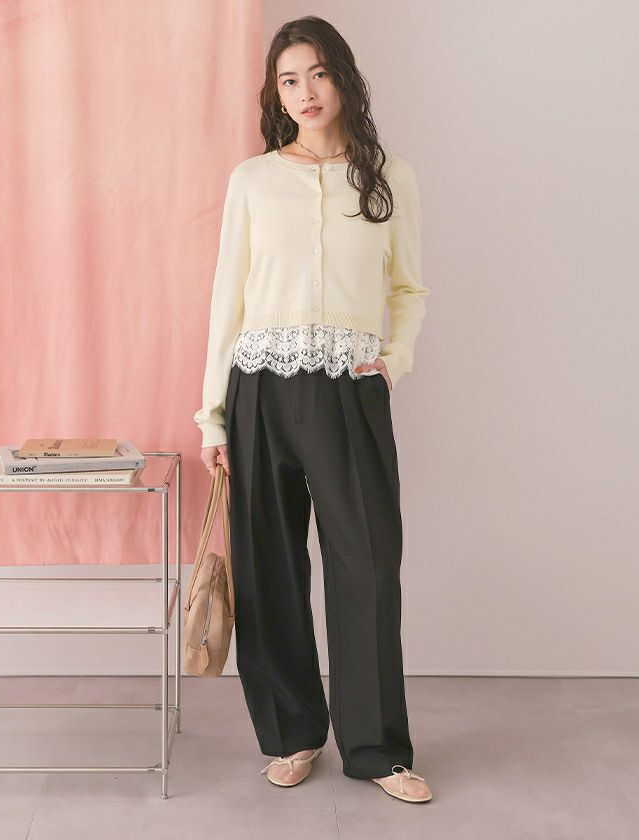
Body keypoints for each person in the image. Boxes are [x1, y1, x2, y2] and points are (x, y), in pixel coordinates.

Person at [194, 15, 433, 804]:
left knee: (368, 565)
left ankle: (377, 749)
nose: (306, 92)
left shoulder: (389, 176)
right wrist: (212, 414)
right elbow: (227, 298)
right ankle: (292, 734)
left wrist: (392, 362)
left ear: (344, 79)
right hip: (260, 386)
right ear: (276, 93)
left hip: (349, 386)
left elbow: (409, 289)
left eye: (319, 74)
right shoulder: (253, 180)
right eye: (289, 80)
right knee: (268, 566)